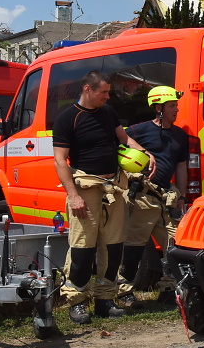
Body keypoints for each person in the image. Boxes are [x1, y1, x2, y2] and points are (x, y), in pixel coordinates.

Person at [52, 70, 156, 323]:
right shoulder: (67, 119)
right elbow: (60, 161)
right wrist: (73, 196)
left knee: (113, 247)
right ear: (87, 89)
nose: (108, 97)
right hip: (86, 190)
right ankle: (77, 301)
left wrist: (144, 152)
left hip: (114, 187)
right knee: (82, 249)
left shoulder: (108, 113)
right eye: (104, 92)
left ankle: (105, 300)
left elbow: (124, 139)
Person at [117, 85, 190, 307]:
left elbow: (181, 167)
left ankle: (169, 289)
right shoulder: (138, 131)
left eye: (176, 105)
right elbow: (119, 147)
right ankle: (124, 292)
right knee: (134, 246)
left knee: (175, 243)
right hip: (142, 197)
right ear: (158, 108)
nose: (176, 110)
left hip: (167, 198)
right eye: (171, 106)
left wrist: (182, 197)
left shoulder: (180, 135)